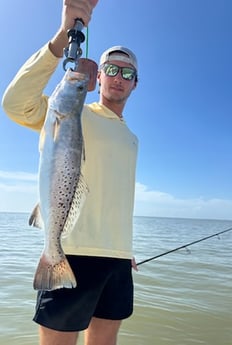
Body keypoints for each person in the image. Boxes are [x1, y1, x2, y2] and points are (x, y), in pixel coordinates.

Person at [2, 1, 139, 344]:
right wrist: (62, 38)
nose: (118, 78)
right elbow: (15, 104)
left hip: (118, 261)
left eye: (127, 73)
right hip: (72, 252)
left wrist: (122, 248)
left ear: (135, 83)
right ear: (98, 76)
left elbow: (114, 195)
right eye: (111, 69)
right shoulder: (71, 112)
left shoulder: (131, 138)